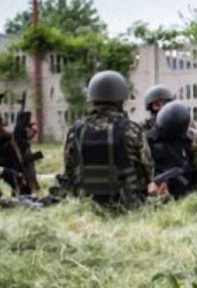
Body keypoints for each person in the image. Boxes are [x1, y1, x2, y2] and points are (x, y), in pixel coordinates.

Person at [62, 70, 153, 208]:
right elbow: (148, 168)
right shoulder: (131, 129)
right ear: (120, 99)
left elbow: (69, 168)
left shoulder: (75, 130)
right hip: (127, 204)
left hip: (86, 205)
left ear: (92, 99)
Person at [145, 101, 197, 199]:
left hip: (189, 185)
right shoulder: (149, 140)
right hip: (161, 188)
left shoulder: (189, 139)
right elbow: (145, 170)